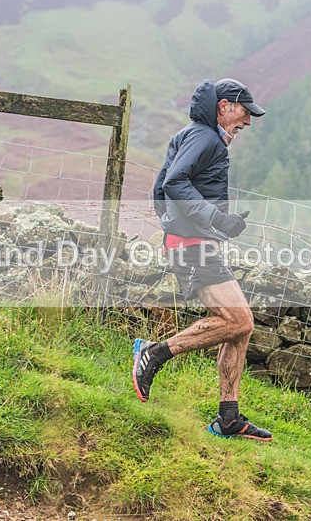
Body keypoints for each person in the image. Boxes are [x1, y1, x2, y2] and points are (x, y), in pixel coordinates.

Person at [132, 78, 272, 442]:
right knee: (238, 320)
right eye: (244, 112)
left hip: (196, 240)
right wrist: (217, 219)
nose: (248, 122)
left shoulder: (199, 135)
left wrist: (213, 225)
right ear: (224, 106)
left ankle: (229, 418)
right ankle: (155, 353)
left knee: (242, 325)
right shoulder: (205, 137)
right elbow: (174, 183)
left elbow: (169, 183)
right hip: (191, 243)